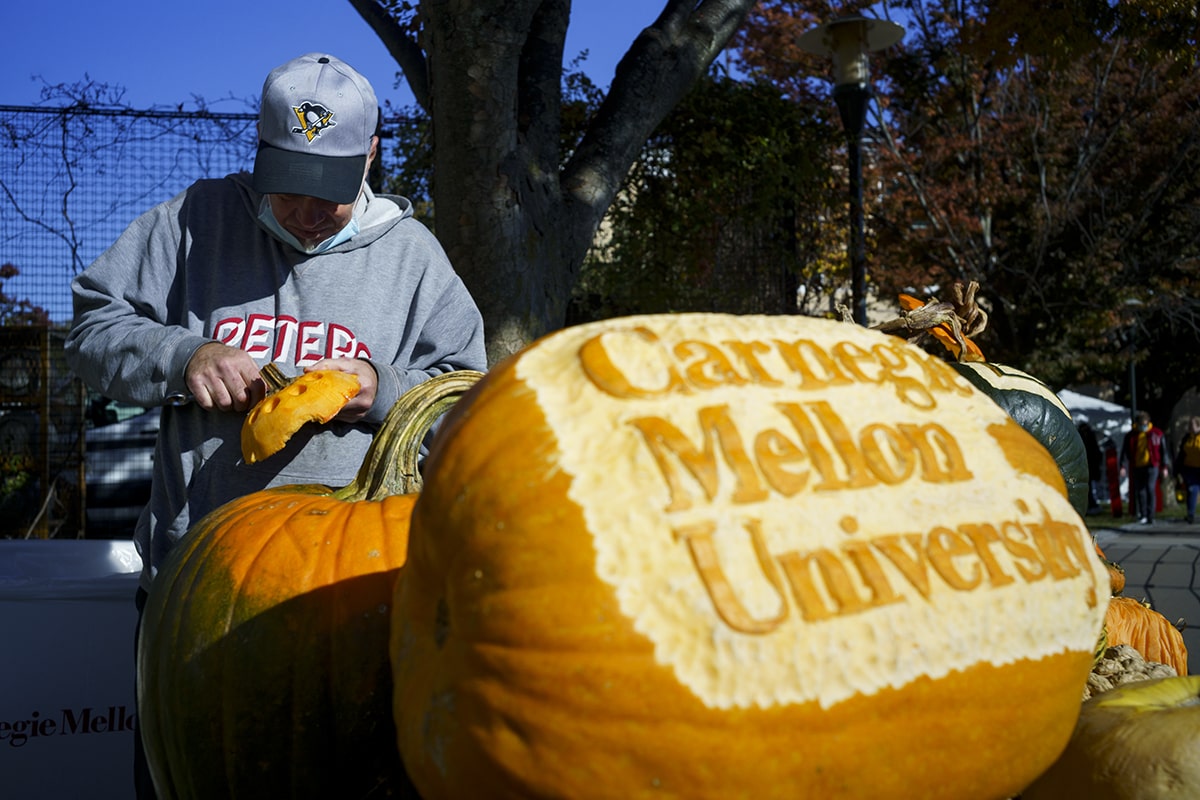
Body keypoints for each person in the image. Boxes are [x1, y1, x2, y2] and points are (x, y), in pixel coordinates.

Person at [64, 53, 487, 798]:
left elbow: (469, 400)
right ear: (259, 154)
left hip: (362, 597)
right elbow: (92, 331)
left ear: (372, 153)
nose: (307, 211)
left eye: (328, 191)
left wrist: (384, 388)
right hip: (196, 586)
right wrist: (180, 354)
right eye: (288, 187)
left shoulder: (414, 259)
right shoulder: (193, 222)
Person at [1120, 410, 1170, 525]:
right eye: (1141, 424)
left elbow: (1163, 451)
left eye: (1145, 424)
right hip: (1137, 466)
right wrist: (1122, 466)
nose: (1143, 426)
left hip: (1152, 465)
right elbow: (1125, 452)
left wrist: (1164, 466)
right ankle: (1143, 514)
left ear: (1148, 422)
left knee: (1150, 488)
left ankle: (1150, 515)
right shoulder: (1131, 436)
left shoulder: (1157, 434)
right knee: (1141, 491)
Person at [1176, 415, 1200, 524]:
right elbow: (1182, 453)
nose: (1190, 427)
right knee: (1191, 490)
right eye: (1189, 425)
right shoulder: (1187, 437)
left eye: (1192, 425)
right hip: (1190, 468)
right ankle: (1190, 514)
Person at [1077, 419, 1103, 513]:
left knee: (1091, 488)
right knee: (1090, 488)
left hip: (1089, 466)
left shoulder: (1087, 439)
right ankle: (1091, 504)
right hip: (1088, 466)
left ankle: (1092, 504)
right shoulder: (1088, 438)